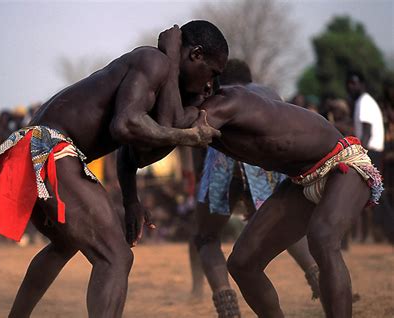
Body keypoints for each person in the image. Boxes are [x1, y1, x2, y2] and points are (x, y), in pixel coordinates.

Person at [119, 29, 383, 317]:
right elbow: (144, 145)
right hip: (300, 181)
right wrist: (130, 196)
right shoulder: (204, 113)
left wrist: (170, 57)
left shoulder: (227, 102)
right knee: (242, 264)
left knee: (322, 238)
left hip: (342, 164)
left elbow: (171, 123)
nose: (207, 84)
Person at [0, 21, 228, 318]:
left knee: (65, 242)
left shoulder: (159, 71)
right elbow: (126, 124)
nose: (210, 84)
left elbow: (132, 150)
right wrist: (187, 135)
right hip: (51, 148)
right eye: (213, 72)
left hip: (32, 149)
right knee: (116, 258)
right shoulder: (154, 61)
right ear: (195, 54)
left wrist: (131, 200)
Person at [187, 59, 321, 318]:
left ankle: (227, 306)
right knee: (286, 227)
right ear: (249, 78)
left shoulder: (217, 95)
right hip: (266, 160)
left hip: (222, 161)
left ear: (220, 78)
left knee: (207, 236)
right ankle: (318, 278)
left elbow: (199, 140)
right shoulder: (270, 94)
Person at [346, 71, 393, 244]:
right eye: (349, 83)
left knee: (377, 195)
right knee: (375, 195)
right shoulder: (363, 102)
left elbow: (367, 131)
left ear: (362, 84)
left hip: (371, 151)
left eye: (354, 82)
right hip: (372, 151)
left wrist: (360, 154)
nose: (351, 86)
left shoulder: (364, 102)